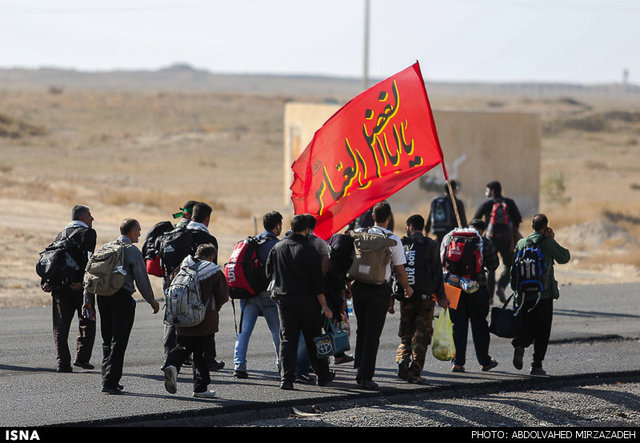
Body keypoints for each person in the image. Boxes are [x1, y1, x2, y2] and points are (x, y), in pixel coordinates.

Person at [83, 218, 160, 394]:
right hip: (122, 299)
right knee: (119, 340)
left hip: (102, 298)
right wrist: (151, 300)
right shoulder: (132, 251)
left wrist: (87, 299)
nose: (140, 234)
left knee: (107, 339)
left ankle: (107, 378)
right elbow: (141, 278)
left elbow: (91, 274)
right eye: (138, 230)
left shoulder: (105, 247)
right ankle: (110, 382)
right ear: (131, 231)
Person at [266, 214, 335, 390]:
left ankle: (286, 379)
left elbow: (268, 272)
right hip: (307, 302)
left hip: (284, 300)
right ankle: (323, 376)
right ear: (306, 230)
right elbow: (316, 283)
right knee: (314, 339)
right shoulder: (309, 249)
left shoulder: (278, 247)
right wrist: (324, 306)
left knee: (288, 340)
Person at [351, 200, 413, 390]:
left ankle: (359, 367)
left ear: (372, 217)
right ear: (388, 218)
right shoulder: (392, 238)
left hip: (358, 287)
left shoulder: (361, 233)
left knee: (362, 329)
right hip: (379, 289)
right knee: (373, 334)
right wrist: (407, 288)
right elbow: (400, 271)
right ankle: (365, 377)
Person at [162, 202, 223, 371]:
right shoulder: (208, 239)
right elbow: (212, 269)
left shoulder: (178, 233)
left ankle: (170, 357)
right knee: (203, 326)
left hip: (174, 283)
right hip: (199, 288)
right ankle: (207, 361)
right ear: (207, 218)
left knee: (173, 319)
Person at [163, 243, 229, 398]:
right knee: (202, 354)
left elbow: (170, 284)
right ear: (211, 256)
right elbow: (223, 296)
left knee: (182, 346)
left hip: (182, 318)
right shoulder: (212, 271)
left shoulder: (183, 266)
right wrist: (216, 308)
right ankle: (200, 388)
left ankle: (171, 365)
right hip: (204, 320)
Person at [391, 214, 449, 384]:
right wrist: (442, 297)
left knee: (406, 335)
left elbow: (395, 272)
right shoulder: (431, 245)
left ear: (409, 226)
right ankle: (415, 373)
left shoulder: (402, 244)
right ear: (422, 227)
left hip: (406, 296)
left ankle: (402, 359)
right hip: (425, 298)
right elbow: (437, 273)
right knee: (422, 336)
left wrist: (391, 298)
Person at [511, 214, 570, 376]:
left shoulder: (521, 243)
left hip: (523, 295)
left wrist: (516, 291)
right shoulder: (547, 243)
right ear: (545, 227)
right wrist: (552, 239)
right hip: (544, 295)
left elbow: (513, 270)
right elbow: (565, 257)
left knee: (526, 325)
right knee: (542, 330)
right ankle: (536, 365)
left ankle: (520, 345)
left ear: (532, 227)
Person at [443, 219, 499, 373]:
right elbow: (494, 265)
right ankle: (485, 362)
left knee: (458, 326)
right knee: (480, 325)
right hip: (477, 288)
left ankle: (458, 363)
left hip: (454, 288)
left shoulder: (451, 239)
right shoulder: (485, 242)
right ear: (482, 230)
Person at [232, 211, 283, 379]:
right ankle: (281, 364)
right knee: (277, 331)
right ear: (277, 226)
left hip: (247, 293)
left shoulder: (252, 242)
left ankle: (239, 365)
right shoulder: (276, 245)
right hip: (267, 294)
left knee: (244, 331)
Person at [49, 205, 97, 373]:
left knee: (60, 326)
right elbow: (89, 260)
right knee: (88, 321)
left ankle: (63, 363)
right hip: (80, 287)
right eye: (90, 215)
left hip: (60, 288)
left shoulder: (60, 234)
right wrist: (84, 283)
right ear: (82, 217)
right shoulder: (89, 233)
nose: (92, 219)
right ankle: (82, 359)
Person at [473, 181, 522, 304]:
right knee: (509, 266)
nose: (486, 193)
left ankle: (489, 297)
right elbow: (518, 220)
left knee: (491, 268)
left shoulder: (487, 204)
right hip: (507, 240)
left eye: (487, 191)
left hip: (490, 240)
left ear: (492, 191)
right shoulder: (509, 202)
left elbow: (475, 221)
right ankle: (501, 286)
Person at [425, 180, 467, 245]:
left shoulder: (437, 202)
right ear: (455, 190)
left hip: (438, 237)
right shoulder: (458, 203)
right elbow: (463, 222)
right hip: (452, 238)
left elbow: (430, 218)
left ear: (444, 190)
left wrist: (426, 233)